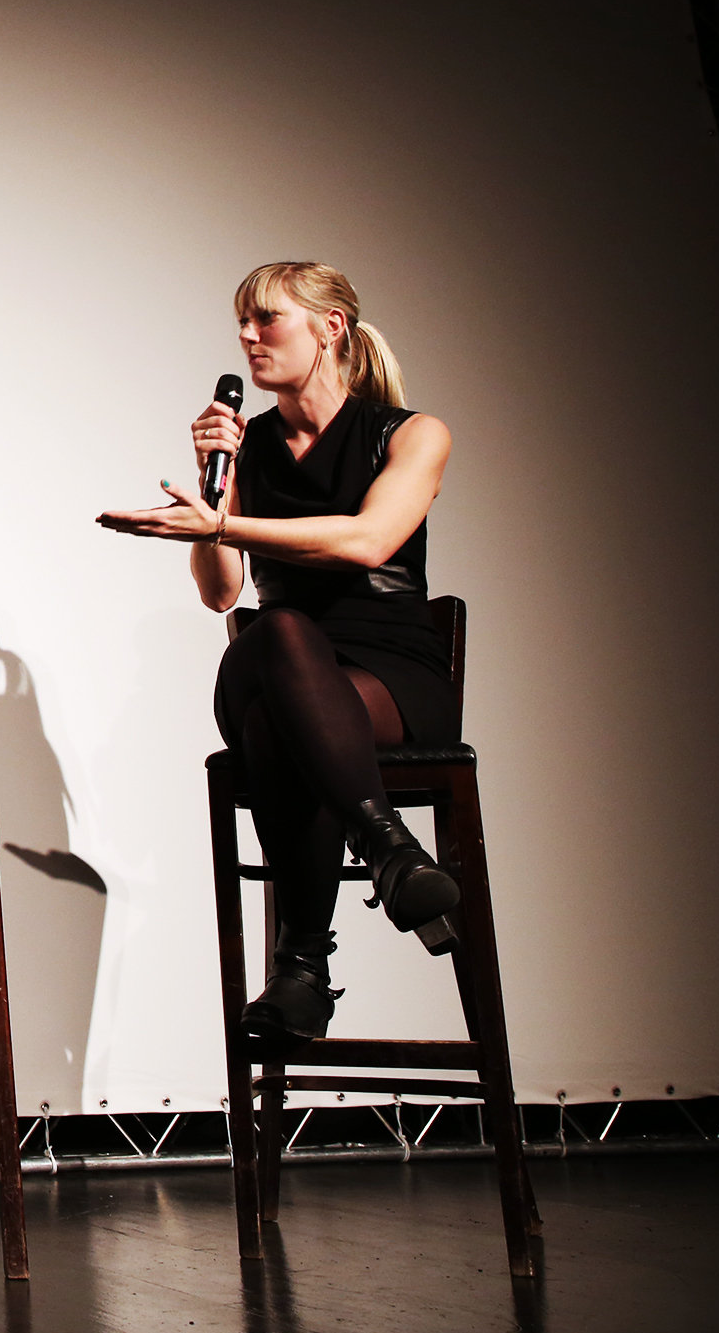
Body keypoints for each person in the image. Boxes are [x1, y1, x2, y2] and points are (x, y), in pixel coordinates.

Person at [97, 260, 463, 1045]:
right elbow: (222, 592)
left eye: (267, 319)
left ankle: (301, 967)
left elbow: (368, 541)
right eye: (242, 322)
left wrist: (220, 526)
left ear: (330, 327)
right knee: (279, 637)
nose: (247, 336)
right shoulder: (250, 446)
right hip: (281, 660)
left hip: (392, 680)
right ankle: (387, 846)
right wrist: (214, 490)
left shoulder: (412, 433)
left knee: (278, 719)